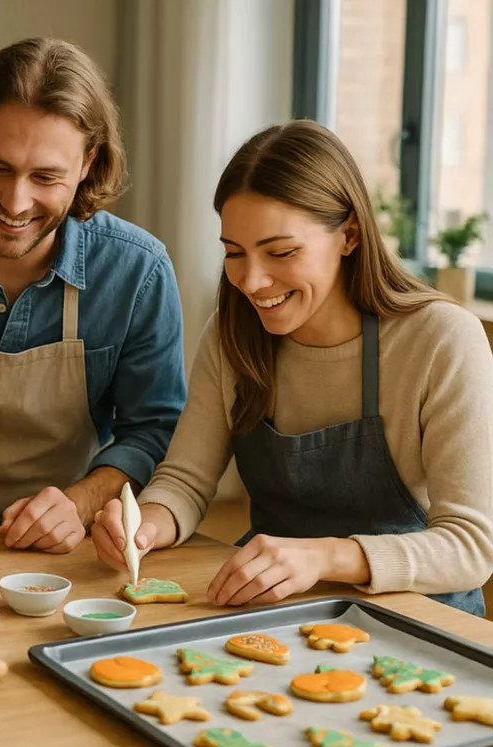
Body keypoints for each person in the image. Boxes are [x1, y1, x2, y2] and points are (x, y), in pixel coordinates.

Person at [92, 119, 493, 616]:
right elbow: (186, 479)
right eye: (234, 253)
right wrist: (145, 524)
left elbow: (471, 548)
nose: (252, 281)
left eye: (281, 252)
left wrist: (325, 557)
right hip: (275, 614)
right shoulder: (230, 333)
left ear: (349, 234)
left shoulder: (441, 339)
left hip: (421, 619)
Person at [0, 37, 186, 553]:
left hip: (75, 546)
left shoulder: (138, 270)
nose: (15, 202)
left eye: (46, 177)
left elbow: (153, 430)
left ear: (88, 163)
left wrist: (80, 503)